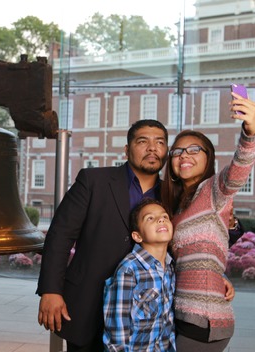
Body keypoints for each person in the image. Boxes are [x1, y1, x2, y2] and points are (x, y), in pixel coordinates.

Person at [36, 119, 169, 351]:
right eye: (143, 141)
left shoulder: (171, 194)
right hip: (88, 304)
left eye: (160, 142)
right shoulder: (93, 180)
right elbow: (60, 235)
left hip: (146, 318)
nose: (152, 148)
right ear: (127, 150)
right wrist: (50, 290)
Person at [161, 90, 255, 351]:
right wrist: (219, 275)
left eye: (194, 149)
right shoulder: (174, 207)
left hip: (206, 319)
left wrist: (251, 130)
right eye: (178, 151)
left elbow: (240, 167)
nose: (184, 155)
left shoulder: (213, 191)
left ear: (208, 157)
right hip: (179, 312)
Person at [103, 198, 176, 352]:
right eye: (150, 218)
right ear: (137, 236)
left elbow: (168, 323)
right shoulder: (129, 270)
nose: (161, 219)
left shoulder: (170, 267)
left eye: (165, 217)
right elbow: (118, 330)